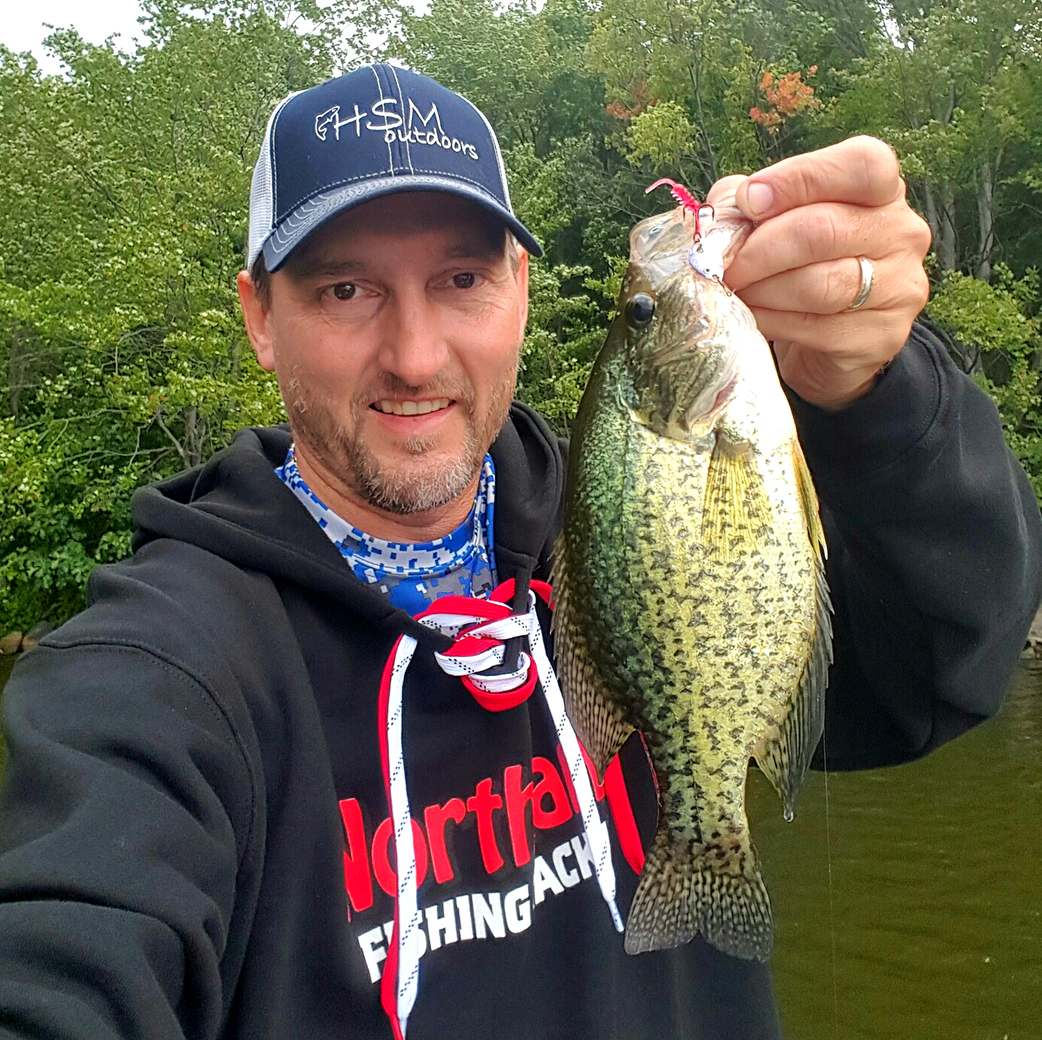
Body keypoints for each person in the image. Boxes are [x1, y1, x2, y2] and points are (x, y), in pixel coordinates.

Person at [0, 63, 1038, 1040]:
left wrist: (877, 392)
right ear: (258, 316)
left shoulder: (592, 535)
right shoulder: (158, 675)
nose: (413, 355)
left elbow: (939, 670)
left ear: (522, 289)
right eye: (344, 291)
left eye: (460, 277)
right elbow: (69, 936)